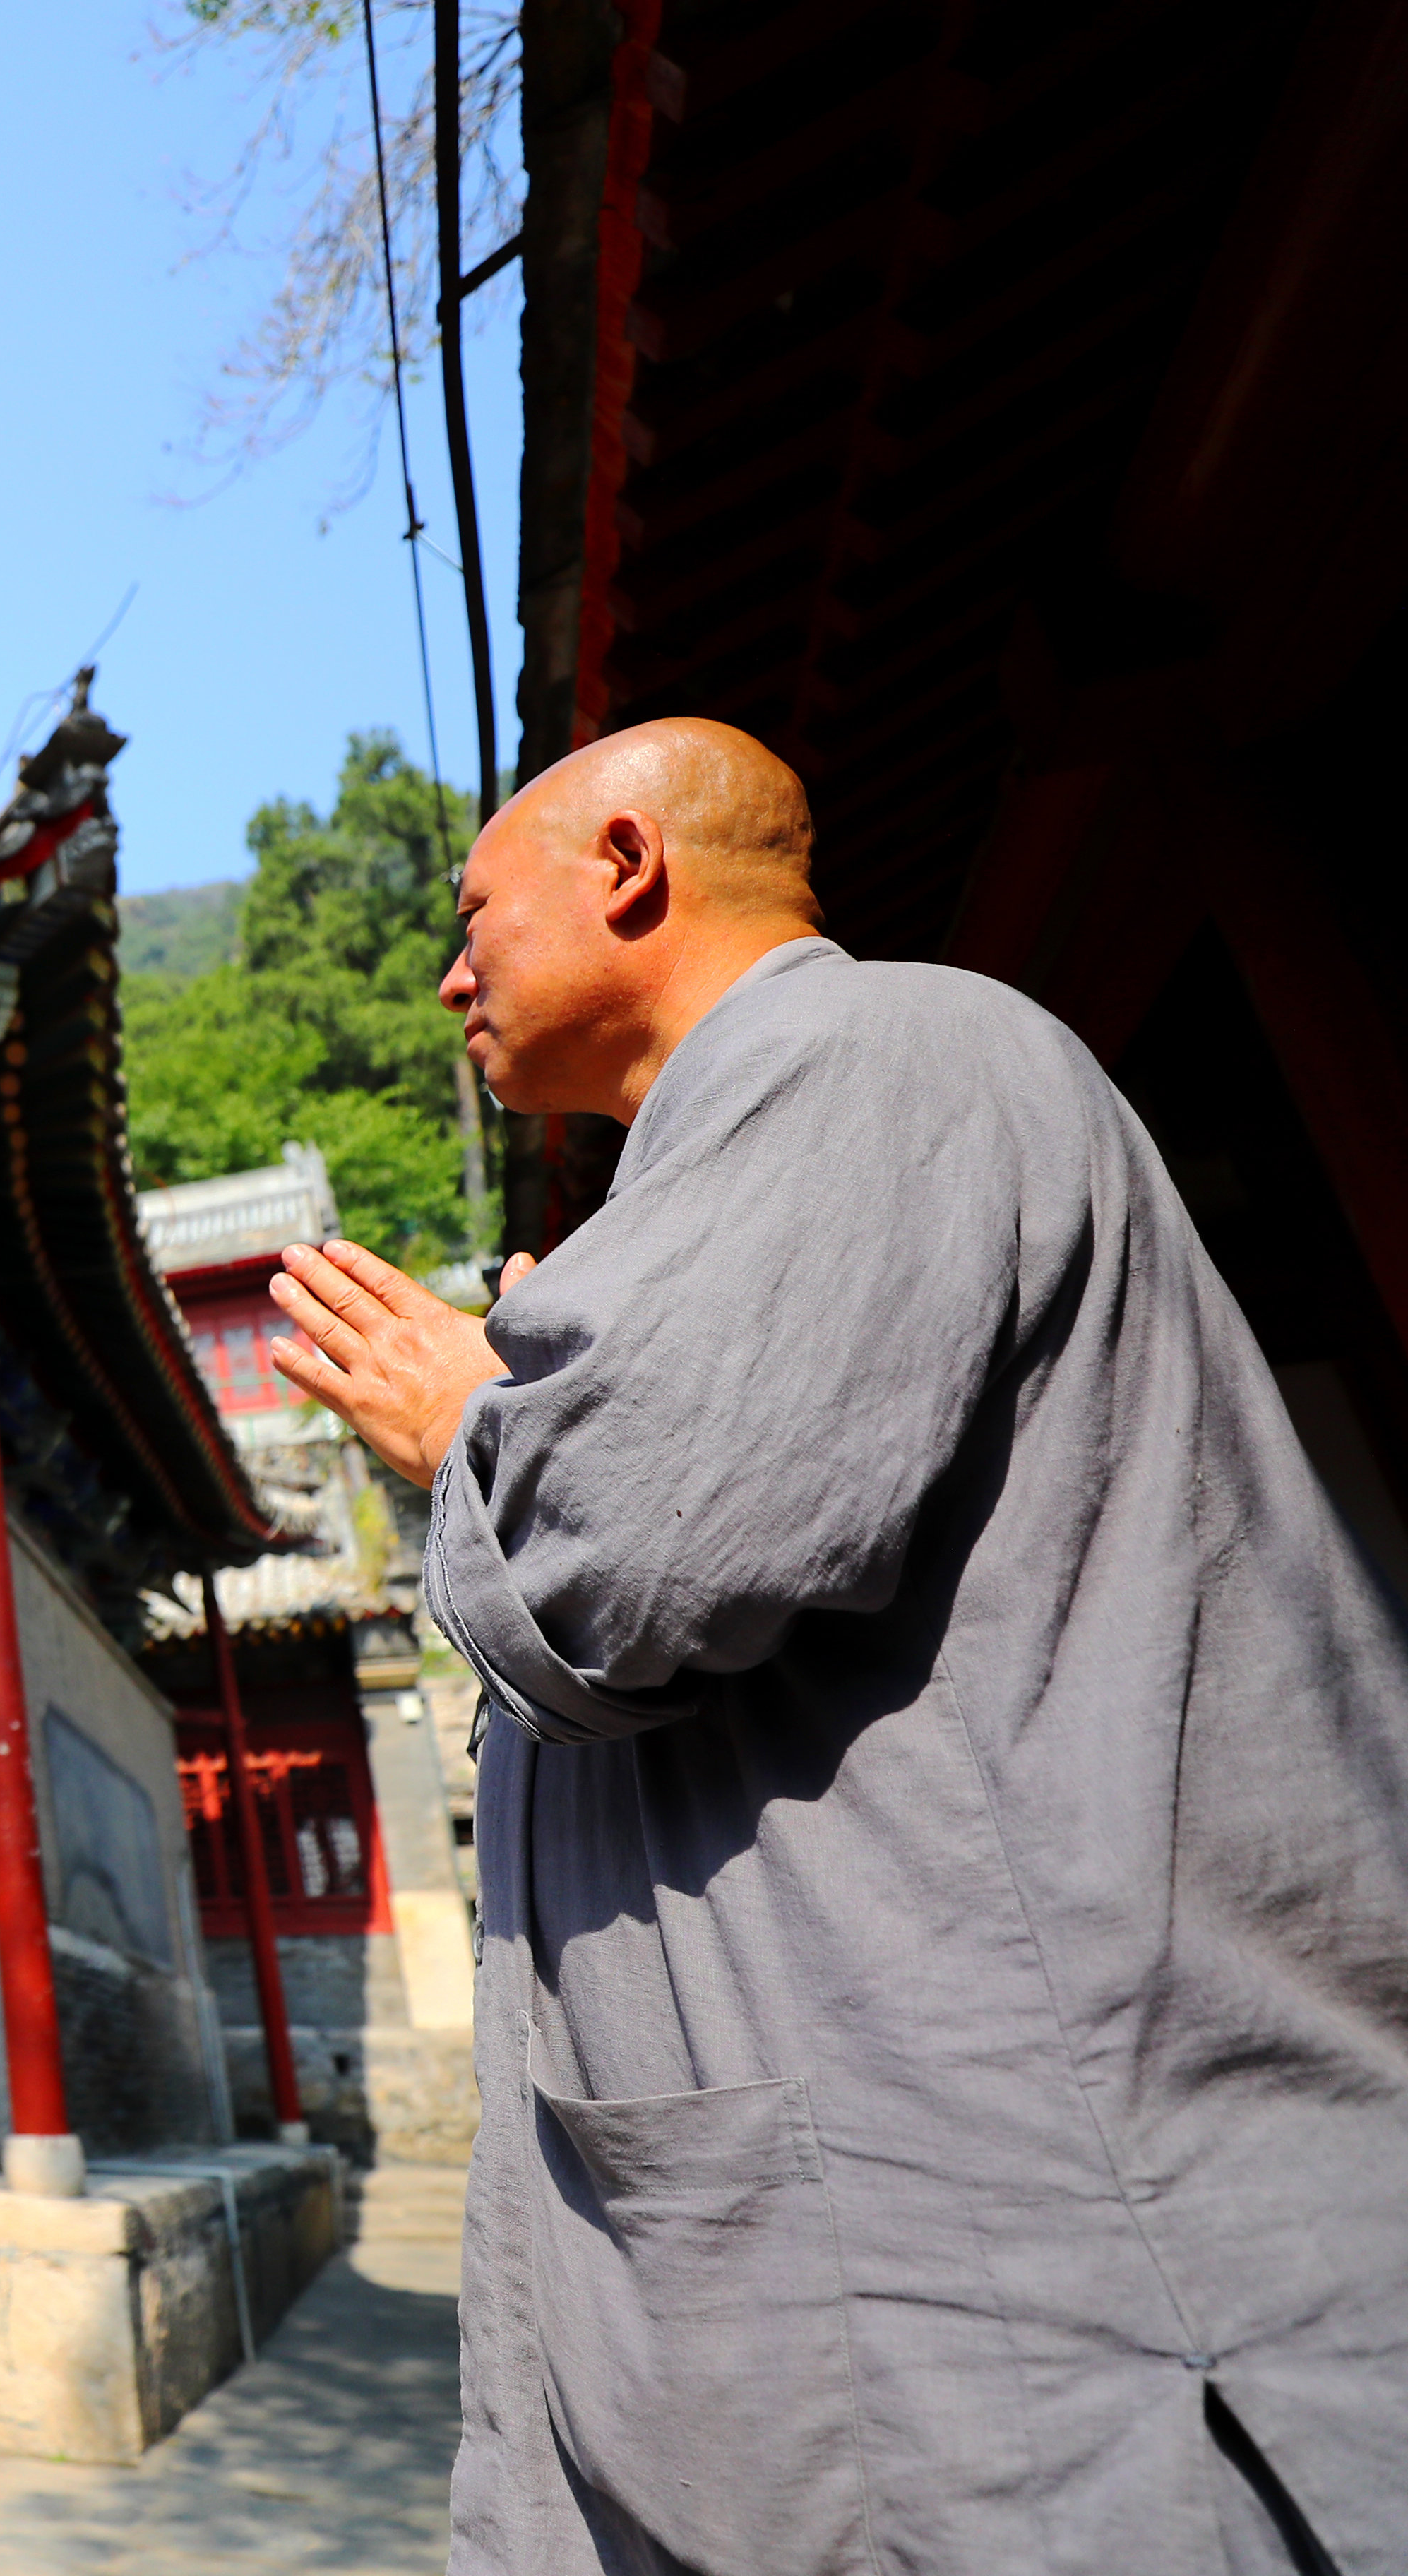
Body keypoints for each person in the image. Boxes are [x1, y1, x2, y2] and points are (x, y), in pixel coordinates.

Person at [266, 717, 1407, 2576]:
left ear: (626, 868)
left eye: (478, 915)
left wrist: (476, 1426)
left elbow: (640, 1555)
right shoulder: (744, 1145)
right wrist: (555, 1393)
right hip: (893, 2281)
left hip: (1026, 2304)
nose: (453, 972)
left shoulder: (870, 1052)